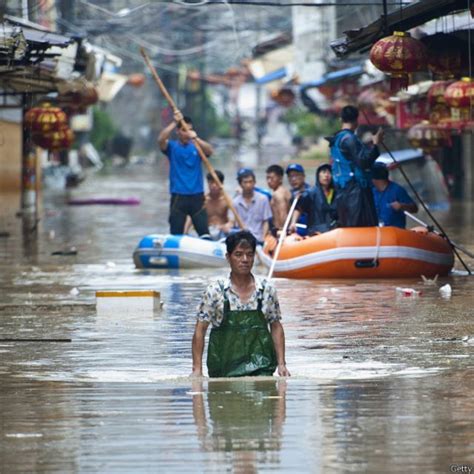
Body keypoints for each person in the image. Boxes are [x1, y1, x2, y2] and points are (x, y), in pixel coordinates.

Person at [191, 230, 290, 378]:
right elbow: (200, 329)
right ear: (228, 257)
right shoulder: (214, 291)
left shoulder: (266, 289)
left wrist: (282, 365)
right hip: (223, 371)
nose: (244, 259)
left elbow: (276, 326)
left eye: (249, 255)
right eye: (238, 254)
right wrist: (197, 370)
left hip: (262, 369)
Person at [326, 105, 384, 227]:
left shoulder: (336, 139)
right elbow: (364, 162)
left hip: (342, 189)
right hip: (356, 191)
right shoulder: (350, 139)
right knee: (362, 225)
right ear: (357, 121)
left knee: (349, 224)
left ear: (341, 119)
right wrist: (375, 145)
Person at [158, 111, 214, 236]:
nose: (187, 133)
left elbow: (210, 151)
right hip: (179, 196)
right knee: (176, 233)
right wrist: (174, 122)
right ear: (178, 131)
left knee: (204, 232)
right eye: (184, 130)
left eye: (189, 130)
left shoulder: (197, 147)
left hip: (197, 196)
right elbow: (161, 139)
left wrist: (196, 138)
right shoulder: (172, 147)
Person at [289, 164, 338, 235]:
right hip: (316, 231)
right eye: (324, 172)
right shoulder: (310, 193)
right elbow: (299, 208)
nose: (326, 175)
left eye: (329, 173)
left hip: (333, 230)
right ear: (318, 175)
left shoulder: (337, 193)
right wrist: (293, 223)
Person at [229, 168, 272, 244]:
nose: (248, 185)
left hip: (258, 239)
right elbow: (232, 222)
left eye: (250, 182)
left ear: (254, 182)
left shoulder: (263, 199)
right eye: (245, 182)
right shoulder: (235, 202)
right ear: (240, 184)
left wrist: (263, 239)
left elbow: (265, 221)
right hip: (240, 241)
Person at [371, 163, 418, 228]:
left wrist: (402, 206)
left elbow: (414, 209)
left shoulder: (397, 190)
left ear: (375, 179)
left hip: (396, 232)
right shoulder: (372, 191)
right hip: (378, 232)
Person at [286, 163, 311, 236]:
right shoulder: (290, 194)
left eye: (296, 175)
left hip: (307, 230)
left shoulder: (310, 192)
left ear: (303, 176)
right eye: (290, 176)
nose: (293, 179)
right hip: (293, 229)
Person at [266, 164, 291, 232]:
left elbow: (283, 213)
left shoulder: (277, 194)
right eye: (267, 178)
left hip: (280, 230)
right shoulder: (286, 191)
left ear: (280, 178)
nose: (269, 181)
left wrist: (282, 230)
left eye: (272, 178)